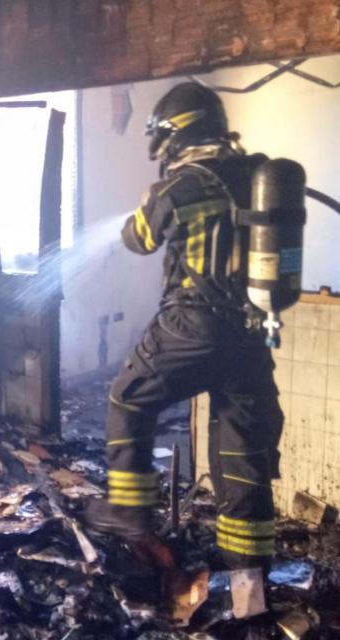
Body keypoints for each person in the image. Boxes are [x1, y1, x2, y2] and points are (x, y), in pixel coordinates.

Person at [85, 82, 284, 576]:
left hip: (192, 325)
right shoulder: (256, 177)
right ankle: (249, 582)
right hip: (252, 333)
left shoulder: (178, 186)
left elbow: (139, 239)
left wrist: (142, 206)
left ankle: (129, 514)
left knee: (129, 398)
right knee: (242, 449)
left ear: (176, 134)